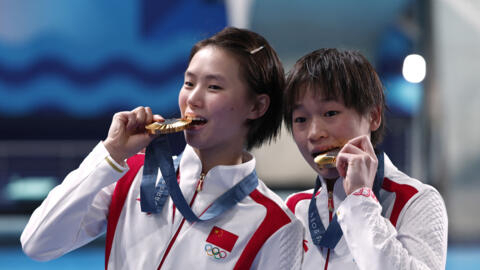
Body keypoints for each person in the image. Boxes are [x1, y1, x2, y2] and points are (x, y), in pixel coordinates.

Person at [21, 27, 303, 270]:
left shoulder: (275, 222)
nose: (192, 98)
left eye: (214, 87)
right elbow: (37, 243)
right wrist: (110, 155)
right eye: (189, 83)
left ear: (256, 106)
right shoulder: (129, 175)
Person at [284, 48, 448, 269]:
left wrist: (361, 199)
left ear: (373, 116)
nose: (314, 133)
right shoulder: (294, 209)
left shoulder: (415, 201)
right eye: (301, 119)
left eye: (330, 113)